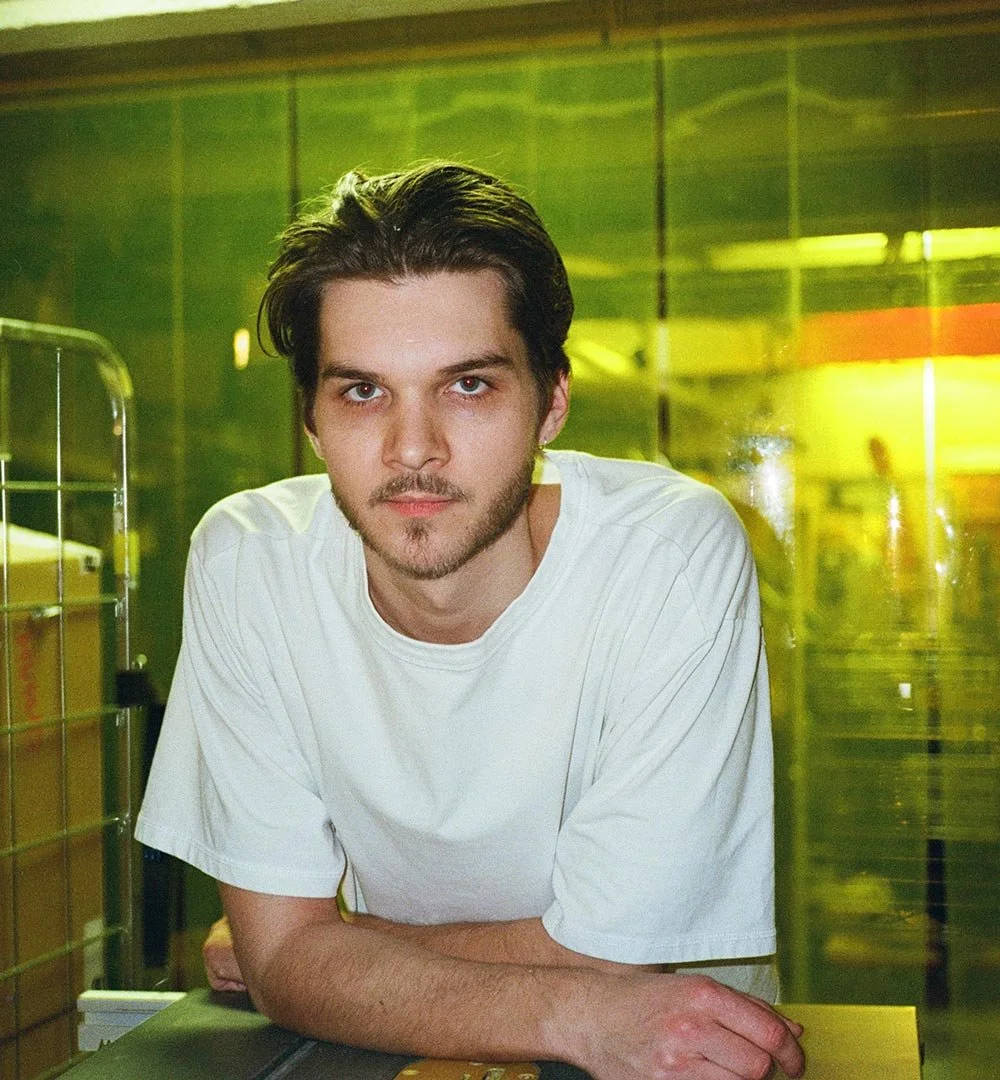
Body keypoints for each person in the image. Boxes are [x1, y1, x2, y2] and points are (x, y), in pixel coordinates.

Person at [135, 161, 804, 1080]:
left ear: (551, 403)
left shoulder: (666, 555)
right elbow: (285, 964)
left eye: (469, 386)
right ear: (311, 421)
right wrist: (298, 955)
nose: (413, 450)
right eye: (363, 391)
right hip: (389, 1057)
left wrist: (331, 949)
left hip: (676, 1060)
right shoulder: (248, 562)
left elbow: (621, 961)